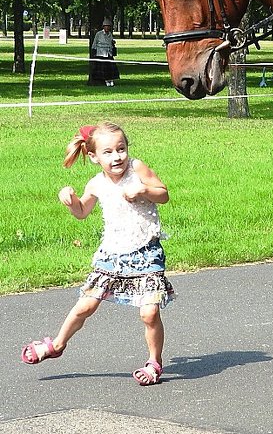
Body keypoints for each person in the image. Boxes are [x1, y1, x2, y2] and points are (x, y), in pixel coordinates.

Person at [21, 122, 176, 385]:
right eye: (108, 152)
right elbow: (82, 212)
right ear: (93, 157)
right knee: (86, 305)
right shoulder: (96, 183)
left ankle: (154, 362)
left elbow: (163, 195)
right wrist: (71, 202)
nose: (117, 157)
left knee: (149, 313)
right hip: (112, 254)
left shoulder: (137, 169)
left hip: (145, 252)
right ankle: (56, 345)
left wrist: (144, 190)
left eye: (121, 149)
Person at [90, 18, 119, 87]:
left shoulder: (110, 34)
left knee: (110, 68)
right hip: (101, 53)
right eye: (106, 26)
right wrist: (94, 51)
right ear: (103, 27)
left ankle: (111, 80)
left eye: (108, 26)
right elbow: (94, 44)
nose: (107, 27)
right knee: (103, 68)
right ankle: (106, 81)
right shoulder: (99, 34)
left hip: (108, 53)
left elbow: (111, 43)